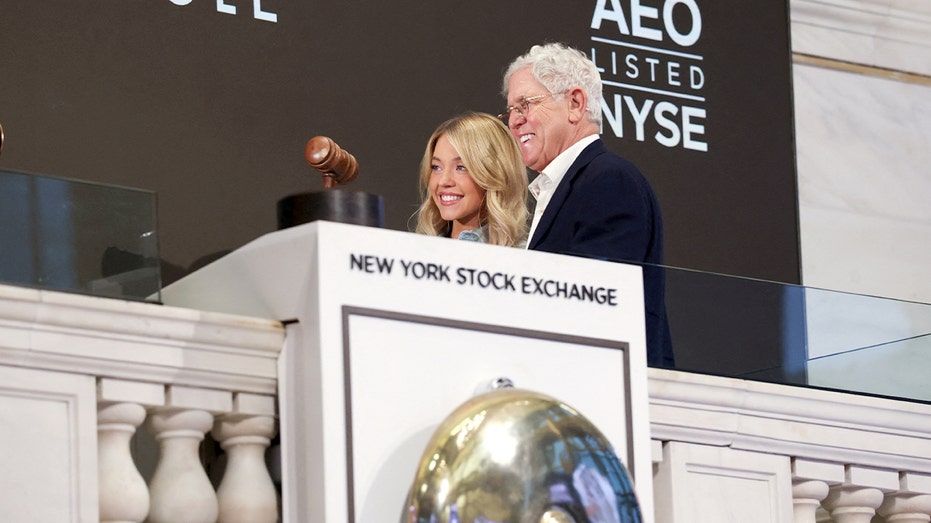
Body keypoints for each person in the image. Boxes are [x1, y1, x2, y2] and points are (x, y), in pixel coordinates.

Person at [500, 43, 675, 368]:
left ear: (575, 104)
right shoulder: (564, 186)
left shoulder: (608, 180)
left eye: (525, 105)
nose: (514, 121)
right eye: (510, 110)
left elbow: (598, 305)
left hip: (606, 390)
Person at [414, 111, 529, 247]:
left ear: (494, 172)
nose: (444, 181)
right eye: (436, 167)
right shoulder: (414, 253)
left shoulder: (524, 259)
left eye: (461, 168)